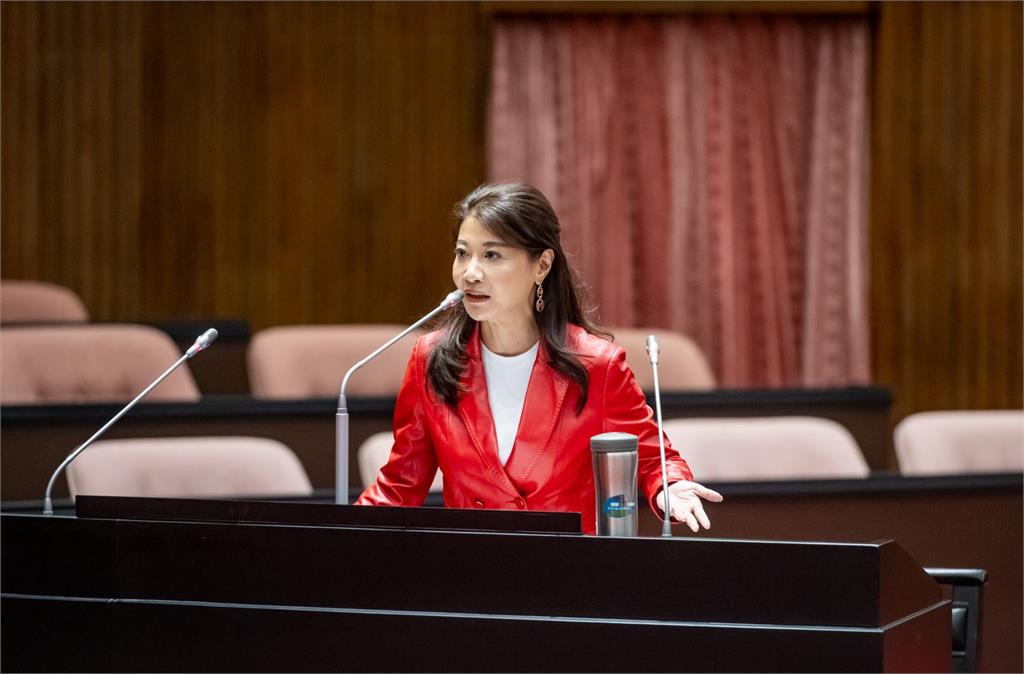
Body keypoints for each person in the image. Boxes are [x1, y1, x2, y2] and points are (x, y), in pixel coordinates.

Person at [356, 182, 722, 534]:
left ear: (542, 265)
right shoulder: (432, 359)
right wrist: (338, 537)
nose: (470, 273)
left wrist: (671, 487)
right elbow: (399, 484)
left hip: (568, 567)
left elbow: (654, 459)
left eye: (492, 255)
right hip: (472, 567)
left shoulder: (596, 364)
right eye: (463, 253)